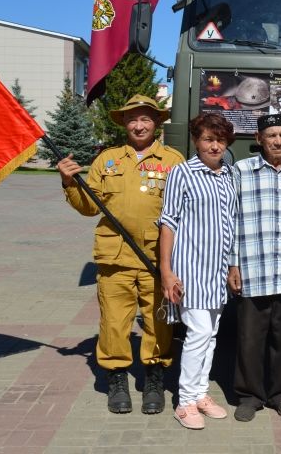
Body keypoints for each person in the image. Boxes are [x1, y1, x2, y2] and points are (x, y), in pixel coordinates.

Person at [57, 94, 185, 415]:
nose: (139, 125)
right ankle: (116, 378)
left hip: (158, 260)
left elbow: (188, 211)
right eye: (132, 119)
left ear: (156, 123)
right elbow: (89, 207)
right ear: (124, 123)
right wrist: (70, 183)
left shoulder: (174, 161)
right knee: (114, 322)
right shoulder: (107, 160)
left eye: (145, 118)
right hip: (115, 258)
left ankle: (154, 377)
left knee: (159, 323)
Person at [228, 113, 281, 422]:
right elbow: (231, 219)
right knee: (250, 338)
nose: (278, 141)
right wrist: (232, 263)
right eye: (271, 135)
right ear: (259, 139)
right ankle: (249, 396)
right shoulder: (241, 171)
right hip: (253, 266)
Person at [159, 112, 238, 430]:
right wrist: (166, 271)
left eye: (220, 139)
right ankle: (186, 401)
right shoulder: (182, 173)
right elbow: (168, 221)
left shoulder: (229, 175)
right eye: (208, 138)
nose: (214, 145)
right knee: (199, 333)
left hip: (217, 271)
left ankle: (201, 393)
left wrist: (233, 264)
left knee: (212, 335)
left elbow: (232, 223)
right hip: (190, 269)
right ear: (196, 140)